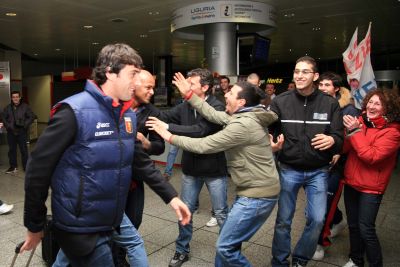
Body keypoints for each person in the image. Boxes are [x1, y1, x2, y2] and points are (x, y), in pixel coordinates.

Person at [19, 43, 190, 267]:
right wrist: (35, 225)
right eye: (133, 74)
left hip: (110, 220)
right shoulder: (72, 112)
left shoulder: (126, 115)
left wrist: (171, 196)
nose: (137, 82)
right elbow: (37, 171)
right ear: (110, 72)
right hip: (79, 225)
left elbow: (140, 162)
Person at [147, 76, 282, 267]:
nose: (226, 93)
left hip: (257, 196)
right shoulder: (244, 115)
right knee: (225, 248)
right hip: (254, 191)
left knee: (225, 247)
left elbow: (204, 144)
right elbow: (211, 113)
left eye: (231, 93)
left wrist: (169, 136)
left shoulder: (241, 124)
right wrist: (189, 94)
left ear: (241, 102)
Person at [270, 56, 344, 267]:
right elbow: (269, 131)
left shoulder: (330, 103)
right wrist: (272, 144)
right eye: (296, 71)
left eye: (305, 72)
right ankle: (280, 261)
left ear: (315, 76)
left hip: (318, 171)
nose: (299, 76)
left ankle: (300, 258)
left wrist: (332, 139)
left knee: (318, 219)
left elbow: (339, 137)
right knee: (283, 220)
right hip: (288, 169)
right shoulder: (281, 101)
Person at [152, 68, 228, 267]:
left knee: (220, 213)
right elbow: (166, 115)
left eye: (191, 84)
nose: (186, 87)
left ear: (205, 87)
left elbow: (200, 131)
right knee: (185, 211)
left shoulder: (217, 106)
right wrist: (143, 102)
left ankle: (228, 253)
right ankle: (181, 250)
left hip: (214, 170)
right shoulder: (186, 105)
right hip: (190, 170)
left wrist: (167, 128)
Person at [341, 89, 400, 267]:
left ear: (387, 108)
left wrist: (354, 131)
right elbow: (346, 149)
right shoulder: (361, 122)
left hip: (371, 188)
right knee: (353, 226)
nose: (371, 106)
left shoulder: (393, 132)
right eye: (370, 102)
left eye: (378, 103)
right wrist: (346, 132)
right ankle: (356, 260)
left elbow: (371, 157)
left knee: (366, 229)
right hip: (352, 182)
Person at [312, 71, 360, 261]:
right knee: (316, 203)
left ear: (337, 89)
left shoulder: (348, 111)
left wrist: (339, 149)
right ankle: (338, 221)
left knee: (323, 205)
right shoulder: (315, 105)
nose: (322, 88)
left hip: (336, 167)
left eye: (327, 85)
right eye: (320, 85)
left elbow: (352, 139)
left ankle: (319, 243)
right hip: (316, 163)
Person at [1, 91, 35, 173]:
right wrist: (8, 126)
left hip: (22, 132)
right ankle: (13, 167)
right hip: (11, 133)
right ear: (11, 98)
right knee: (12, 150)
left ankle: (26, 167)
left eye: (17, 97)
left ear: (20, 97)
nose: (15, 98)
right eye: (13, 97)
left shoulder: (25, 107)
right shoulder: (7, 108)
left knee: (24, 150)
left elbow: (31, 116)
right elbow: (3, 118)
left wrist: (25, 125)